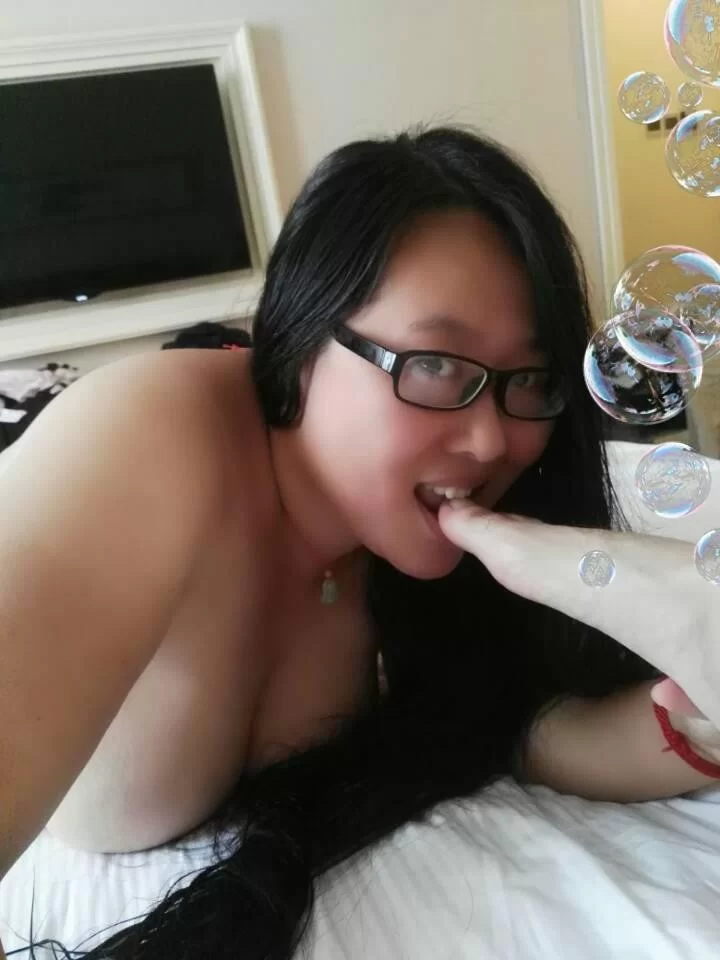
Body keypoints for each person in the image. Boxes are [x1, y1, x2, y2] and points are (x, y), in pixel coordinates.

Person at [0, 125, 718, 960]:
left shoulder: (410, 548)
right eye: (436, 364)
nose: (492, 441)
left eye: (529, 380)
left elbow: (521, 726)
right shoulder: (146, 438)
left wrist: (696, 701)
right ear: (302, 334)